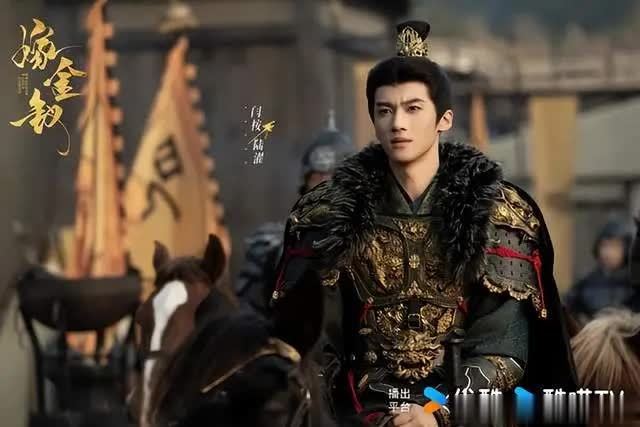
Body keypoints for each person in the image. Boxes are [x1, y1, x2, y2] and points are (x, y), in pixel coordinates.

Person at [271, 21, 577, 427]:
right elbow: (314, 343)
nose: (398, 123)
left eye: (413, 108)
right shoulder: (327, 214)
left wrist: (435, 412)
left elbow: (504, 346)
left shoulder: (499, 213)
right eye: (385, 110)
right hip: (354, 413)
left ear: (444, 119)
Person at [235, 112, 354, 316]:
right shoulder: (270, 248)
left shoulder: (376, 243)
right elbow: (250, 317)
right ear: (305, 185)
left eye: (334, 177)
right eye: (317, 177)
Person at [565, 220, 636, 323]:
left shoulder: (634, 284)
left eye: (615, 246)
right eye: (604, 245)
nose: (608, 252)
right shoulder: (586, 284)